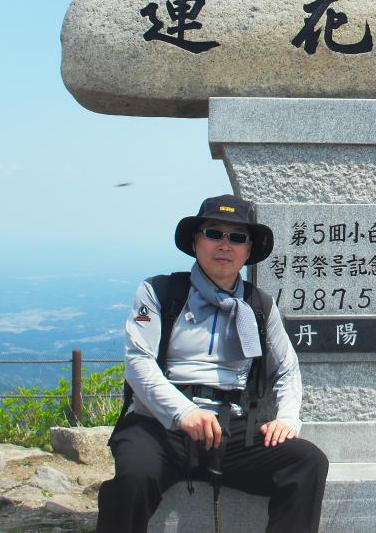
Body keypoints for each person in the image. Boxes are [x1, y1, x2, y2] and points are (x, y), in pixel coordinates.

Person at [96, 194, 328, 533]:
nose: (225, 244)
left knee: (307, 462)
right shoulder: (160, 292)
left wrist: (288, 419)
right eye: (213, 233)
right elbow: (138, 362)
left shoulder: (259, 305)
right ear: (195, 241)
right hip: (157, 424)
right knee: (133, 479)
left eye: (237, 237)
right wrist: (183, 412)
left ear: (248, 250)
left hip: (231, 428)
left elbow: (286, 368)